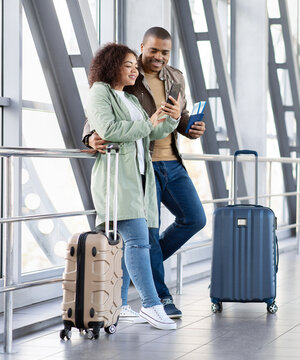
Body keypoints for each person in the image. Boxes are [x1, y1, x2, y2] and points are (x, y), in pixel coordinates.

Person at [83, 27, 206, 319]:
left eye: (165, 52)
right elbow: (100, 119)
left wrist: (189, 126)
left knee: (194, 219)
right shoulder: (124, 75)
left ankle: (137, 265)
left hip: (172, 162)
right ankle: (160, 298)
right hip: (141, 165)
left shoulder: (175, 77)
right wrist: (89, 138)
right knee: (144, 236)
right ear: (142, 47)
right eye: (153, 50)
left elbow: (175, 117)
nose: (159, 57)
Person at [86, 42, 180, 330]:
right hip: (117, 181)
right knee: (139, 242)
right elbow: (110, 130)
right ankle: (152, 306)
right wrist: (147, 124)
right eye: (128, 65)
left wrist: (171, 120)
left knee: (135, 242)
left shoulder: (130, 99)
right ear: (112, 66)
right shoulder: (100, 92)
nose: (134, 70)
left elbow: (150, 131)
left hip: (138, 180)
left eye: (134, 66)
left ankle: (122, 303)